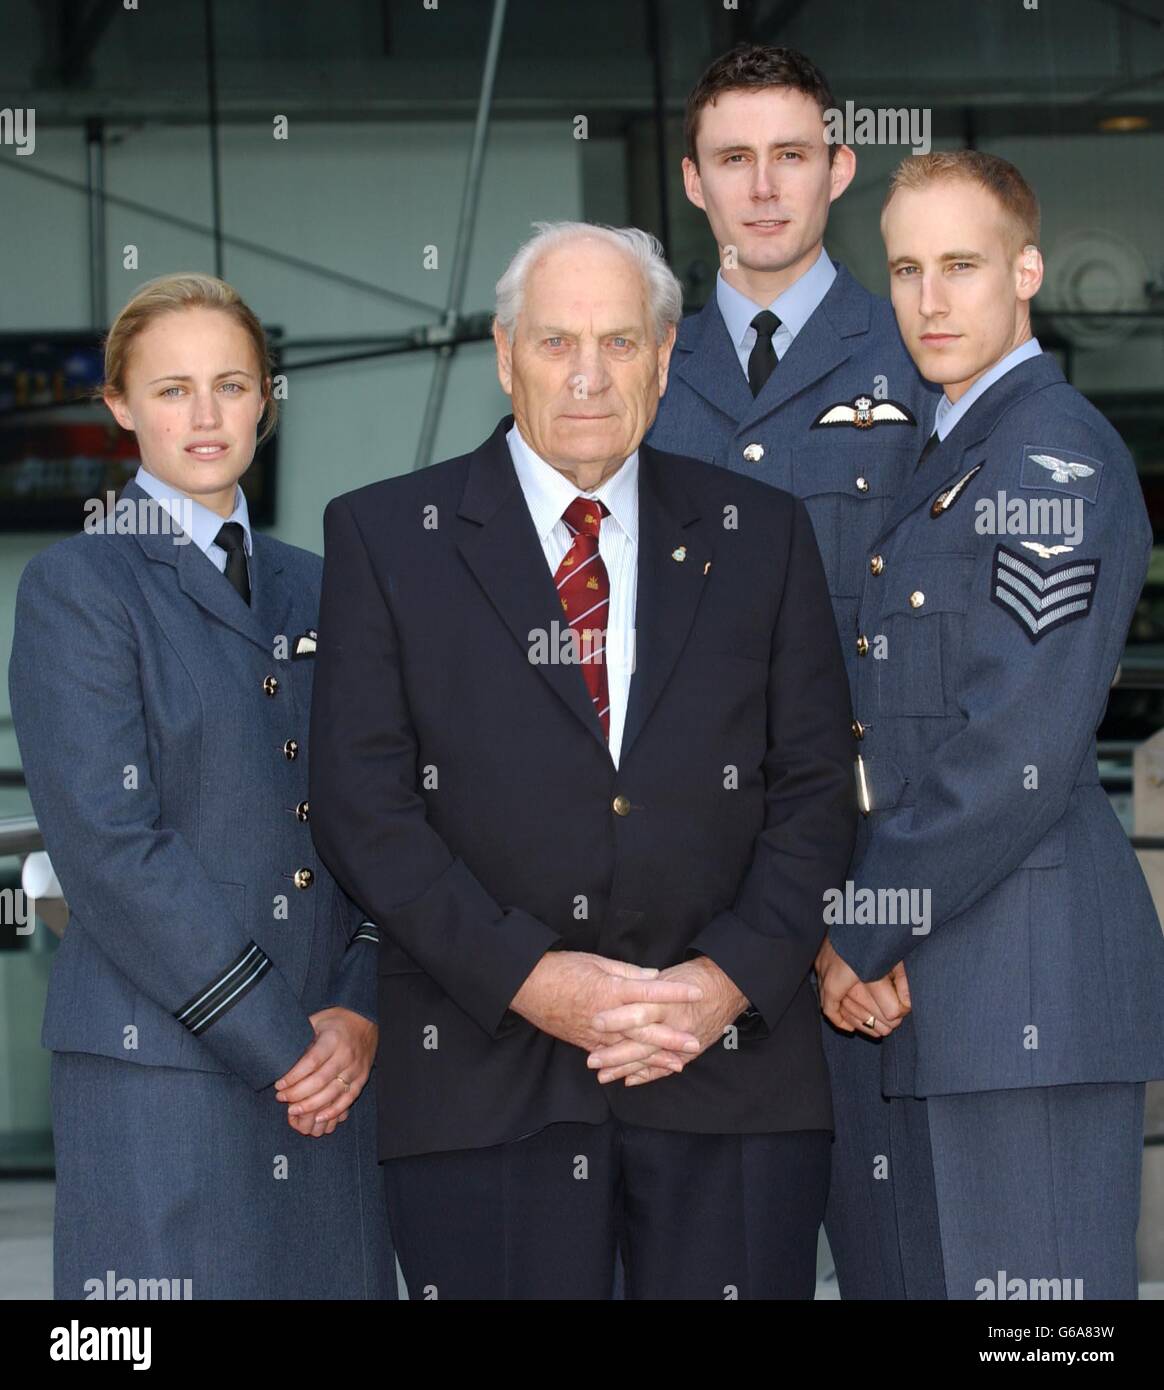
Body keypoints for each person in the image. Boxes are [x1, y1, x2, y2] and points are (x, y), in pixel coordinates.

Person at [308, 221, 856, 1299]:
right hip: (482, 1076)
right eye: (559, 343)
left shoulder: (765, 533)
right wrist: (528, 978)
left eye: (620, 341)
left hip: (729, 1072)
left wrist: (723, 982)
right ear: (506, 354)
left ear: (663, 358)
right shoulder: (386, 538)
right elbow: (363, 808)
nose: (591, 376)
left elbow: (818, 788)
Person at [817, 151, 1164, 1299]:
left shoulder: (1047, 458)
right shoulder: (950, 454)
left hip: (1027, 986)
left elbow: (1015, 746)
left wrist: (865, 923)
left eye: (960, 265)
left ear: (1026, 270)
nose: (930, 298)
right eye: (906, 268)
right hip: (942, 986)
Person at [8, 273, 395, 1300]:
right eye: (172, 388)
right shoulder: (77, 588)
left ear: (267, 396)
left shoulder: (324, 582)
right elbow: (108, 845)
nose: (207, 413)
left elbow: (382, 810)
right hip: (166, 1068)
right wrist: (282, 1039)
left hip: (334, 1064)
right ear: (121, 408)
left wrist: (356, 1013)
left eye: (231, 383)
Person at [645, 41, 937, 1299]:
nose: (764, 187)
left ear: (840, 169)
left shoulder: (924, 365)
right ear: (694, 183)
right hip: (686, 934)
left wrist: (865, 916)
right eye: (733, 160)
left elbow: (951, 663)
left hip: (881, 933)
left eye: (791, 156)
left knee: (913, 1272)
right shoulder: (631, 373)